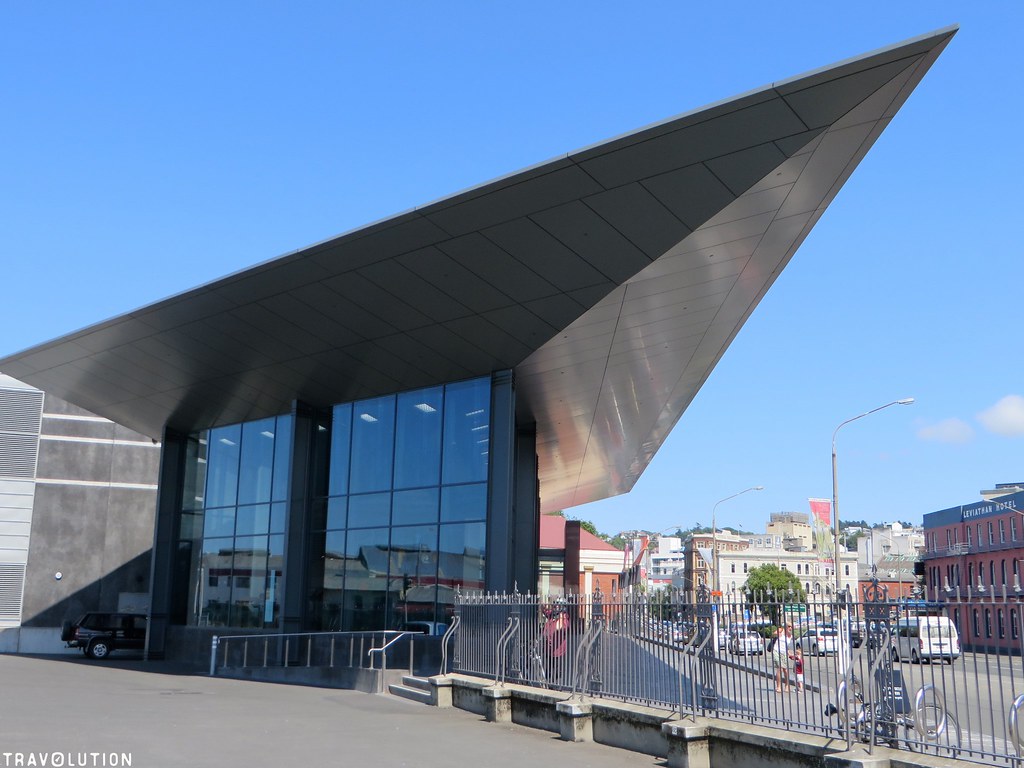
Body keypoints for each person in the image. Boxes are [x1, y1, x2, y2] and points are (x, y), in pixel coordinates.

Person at [772, 624, 793, 692]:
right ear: (785, 627)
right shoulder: (781, 630)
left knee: (785, 670)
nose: (790, 628)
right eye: (788, 626)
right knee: (780, 668)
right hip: (776, 651)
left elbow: (787, 645)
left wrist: (789, 653)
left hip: (784, 653)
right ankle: (778, 687)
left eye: (791, 627)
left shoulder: (790, 636)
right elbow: (773, 634)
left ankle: (787, 685)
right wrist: (778, 633)